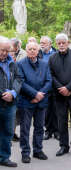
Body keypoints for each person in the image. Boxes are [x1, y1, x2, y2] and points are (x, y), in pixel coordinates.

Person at [48, 33, 71, 158]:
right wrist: (61, 88)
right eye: (59, 43)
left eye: (63, 42)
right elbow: (51, 75)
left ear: (67, 43)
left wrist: (68, 88)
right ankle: (63, 146)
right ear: (56, 44)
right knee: (61, 122)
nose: (61, 45)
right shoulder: (52, 58)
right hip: (59, 96)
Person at [17, 42, 51, 163]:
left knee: (39, 127)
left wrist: (39, 95)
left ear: (38, 51)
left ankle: (38, 150)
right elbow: (21, 82)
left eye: (34, 49)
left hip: (41, 101)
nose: (32, 51)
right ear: (26, 51)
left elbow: (49, 81)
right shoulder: (20, 64)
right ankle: (25, 152)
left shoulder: (45, 64)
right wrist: (35, 94)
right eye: (29, 49)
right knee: (25, 129)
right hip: (26, 101)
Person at [0, 36, 22, 168]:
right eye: (2, 50)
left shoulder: (12, 62)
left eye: (7, 51)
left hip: (10, 104)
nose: (4, 53)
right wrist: (4, 94)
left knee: (8, 132)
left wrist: (13, 93)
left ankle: (4, 157)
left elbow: (19, 79)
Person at [38, 36, 59, 141]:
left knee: (56, 109)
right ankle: (48, 131)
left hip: (55, 85)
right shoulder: (39, 54)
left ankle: (56, 131)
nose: (41, 44)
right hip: (44, 86)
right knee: (46, 110)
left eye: (44, 43)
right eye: (41, 43)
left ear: (50, 44)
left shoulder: (56, 53)